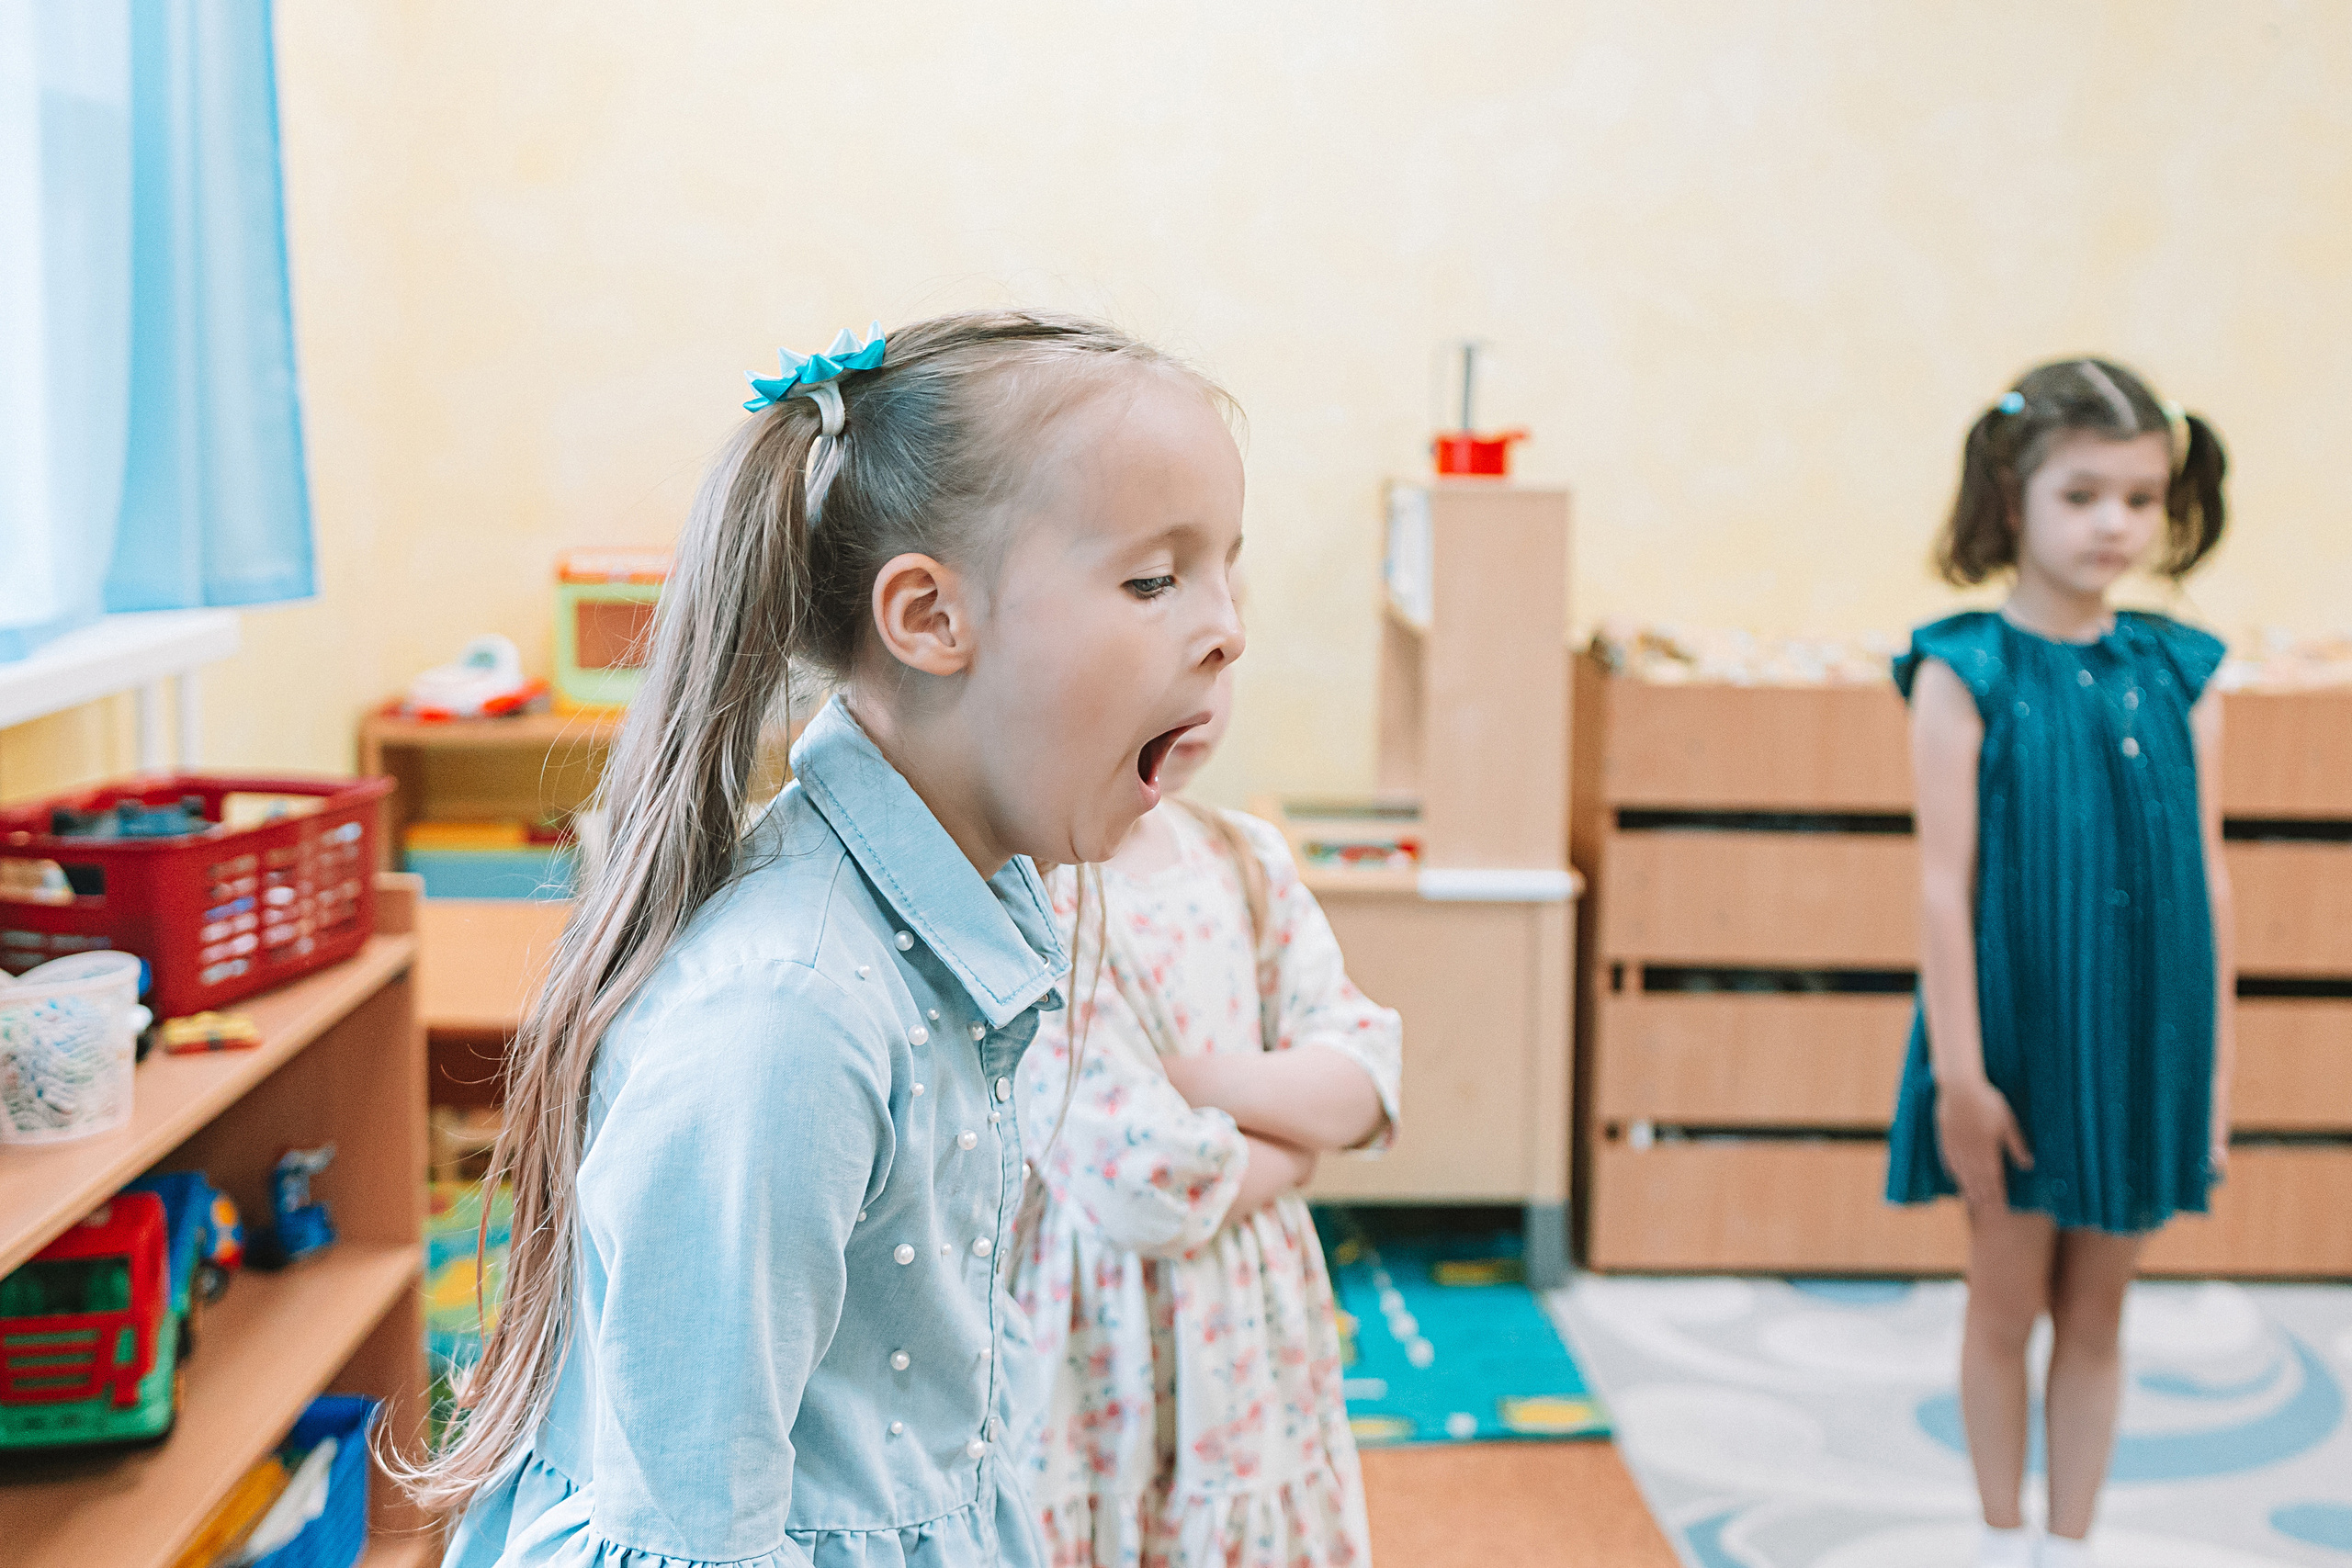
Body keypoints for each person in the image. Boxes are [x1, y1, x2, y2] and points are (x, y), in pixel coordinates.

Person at [409, 310, 1248, 1568]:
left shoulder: (966, 917)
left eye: (1231, 568)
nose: (1226, 626)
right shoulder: (791, 1017)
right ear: (927, 616)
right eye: (1151, 578)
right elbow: (693, 1528)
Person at [1887, 358, 2233, 1568]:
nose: (2115, 525)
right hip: (2018, 1040)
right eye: (2084, 493)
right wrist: (1963, 1077)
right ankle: (1996, 1536)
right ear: (2011, 491)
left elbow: (2210, 882)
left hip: (2144, 1040)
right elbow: (1943, 887)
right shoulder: (1962, 667)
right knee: (2005, 1295)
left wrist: (2215, 1079)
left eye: (2140, 499)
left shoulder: (2179, 670)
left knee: (2101, 1305)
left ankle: (2071, 1542)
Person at [1008, 663, 1402, 1567]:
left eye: (1218, 661)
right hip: (1093, 1327)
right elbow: (1134, 1180)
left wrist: (1192, 1078)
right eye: (1152, 668)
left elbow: (1363, 1082)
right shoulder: (1040, 888)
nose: (1193, 699)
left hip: (1251, 1326)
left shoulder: (1249, 859)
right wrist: (1292, 1152)